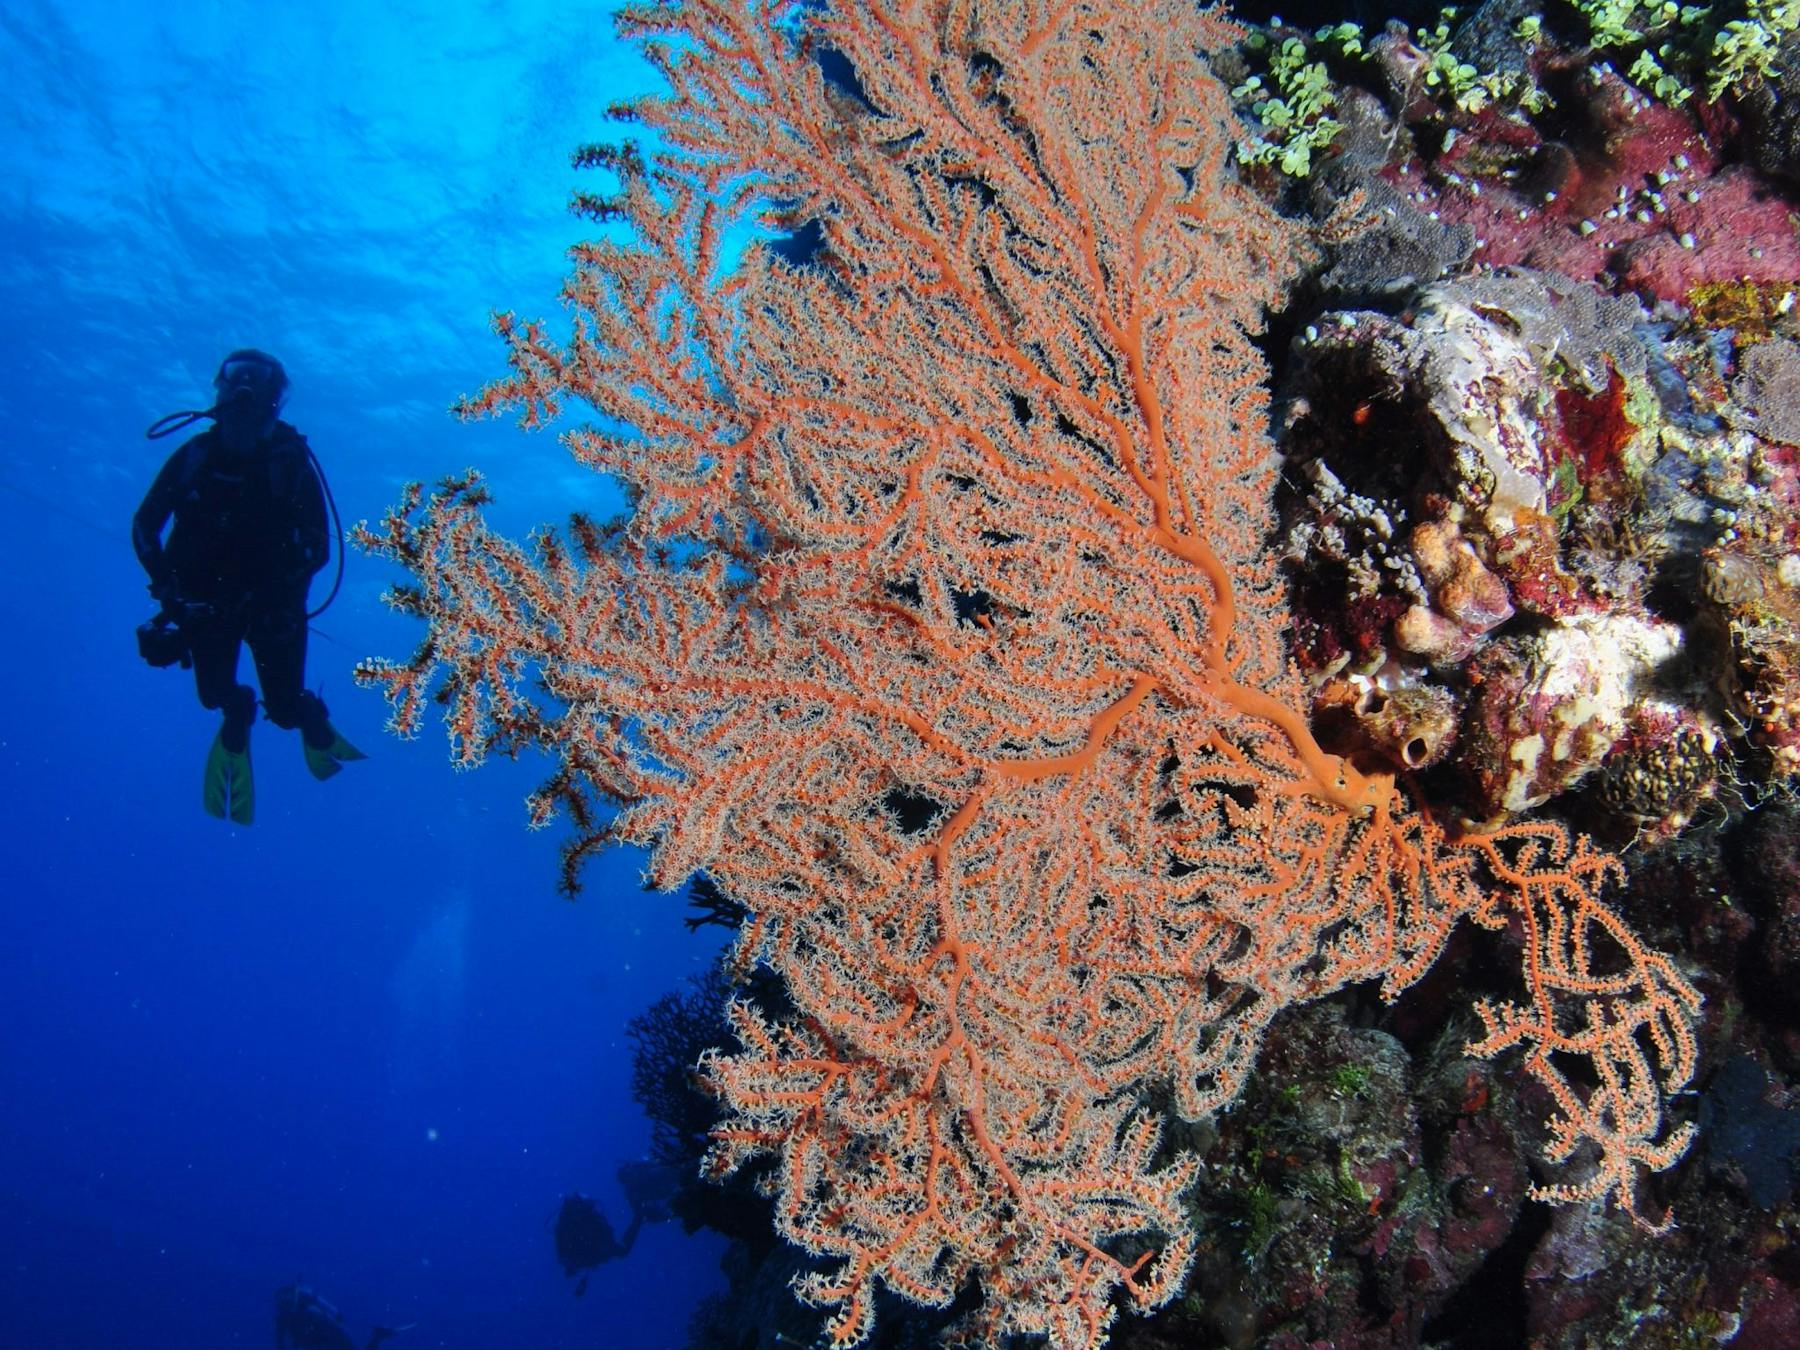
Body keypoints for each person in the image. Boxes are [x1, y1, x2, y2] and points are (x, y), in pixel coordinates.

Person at [133, 350, 364, 824]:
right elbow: (144, 526)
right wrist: (169, 592)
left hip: (271, 610)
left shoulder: (289, 463)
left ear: (273, 404)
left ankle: (307, 717)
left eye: (255, 389)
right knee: (214, 694)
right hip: (203, 604)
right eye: (235, 386)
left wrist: (270, 594)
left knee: (283, 708)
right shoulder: (195, 456)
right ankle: (238, 711)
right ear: (220, 392)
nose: (242, 397)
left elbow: (319, 547)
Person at [273, 1283, 405, 1350]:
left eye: (286, 1303)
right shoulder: (283, 1318)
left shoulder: (311, 1312)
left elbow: (331, 1330)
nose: (285, 1307)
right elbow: (281, 1344)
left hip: (328, 1339)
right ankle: (378, 1336)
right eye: (282, 1304)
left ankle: (378, 1336)